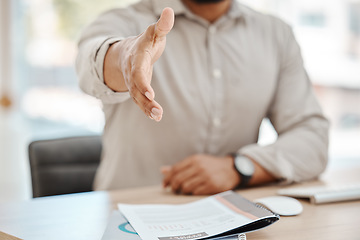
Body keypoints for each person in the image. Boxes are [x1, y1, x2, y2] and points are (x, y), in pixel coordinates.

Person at [76, 0, 329, 195]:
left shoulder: (276, 34)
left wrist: (240, 167)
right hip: (129, 218)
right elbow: (92, 63)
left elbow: (313, 139)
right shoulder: (123, 20)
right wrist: (125, 55)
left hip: (234, 217)